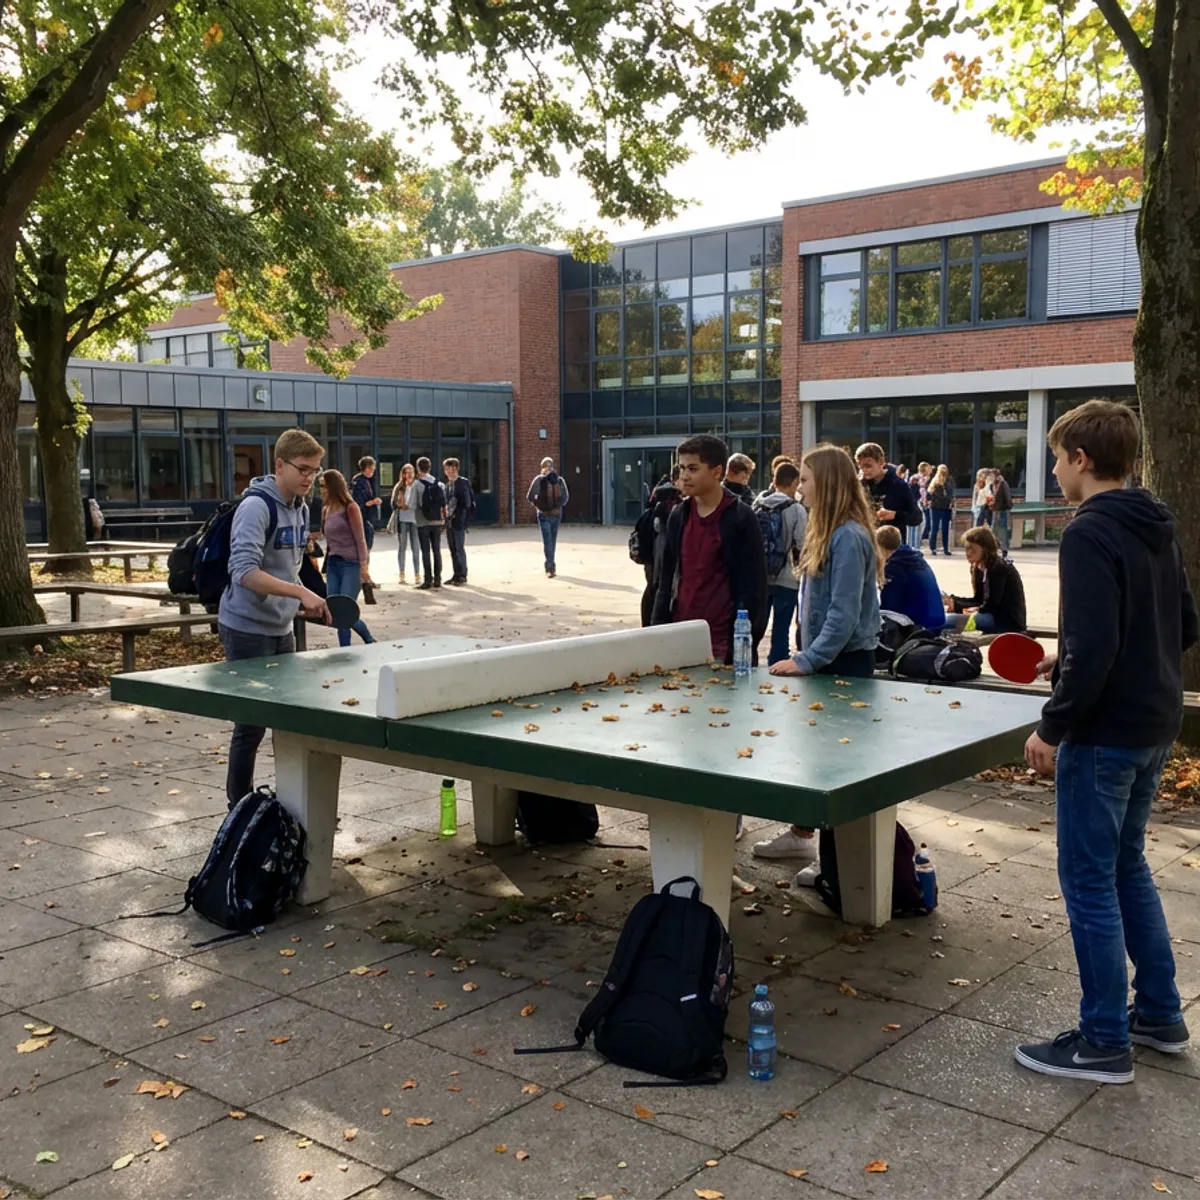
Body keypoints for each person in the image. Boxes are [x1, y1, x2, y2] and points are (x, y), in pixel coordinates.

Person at [1017, 399, 1198, 1083]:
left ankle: (1102, 1040)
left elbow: (1096, 646)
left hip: (1104, 735)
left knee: (1089, 881)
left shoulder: (1089, 531)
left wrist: (1053, 724)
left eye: (1057, 460)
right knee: (1127, 867)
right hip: (1156, 721)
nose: (1055, 473)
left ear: (1081, 459)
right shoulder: (1158, 524)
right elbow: (1181, 625)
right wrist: (1068, 658)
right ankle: (1158, 1013)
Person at [756, 445, 882, 880]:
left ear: (825, 483)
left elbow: (843, 614)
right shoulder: (828, 530)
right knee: (817, 758)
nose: (800, 489)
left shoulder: (847, 537)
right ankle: (802, 836)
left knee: (838, 767)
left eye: (806, 480)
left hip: (844, 665)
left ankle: (836, 870)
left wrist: (807, 660)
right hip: (831, 661)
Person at [218, 428, 330, 808]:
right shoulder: (255, 507)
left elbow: (289, 568)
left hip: (282, 627)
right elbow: (244, 572)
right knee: (251, 724)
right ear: (280, 465)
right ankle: (239, 808)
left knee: (288, 717)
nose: (310, 478)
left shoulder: (300, 507)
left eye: (315, 470)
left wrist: (313, 597)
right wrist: (298, 593)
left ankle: (292, 803)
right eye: (303, 469)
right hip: (246, 627)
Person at [651, 434, 767, 665]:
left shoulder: (740, 517)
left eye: (693, 469)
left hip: (723, 646)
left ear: (717, 472)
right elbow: (665, 580)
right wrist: (657, 631)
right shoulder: (679, 515)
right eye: (682, 468)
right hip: (680, 640)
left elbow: (754, 588)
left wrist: (742, 645)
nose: (684, 476)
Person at [754, 461, 807, 665]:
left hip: (762, 576)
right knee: (781, 627)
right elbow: (802, 543)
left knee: (757, 625)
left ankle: (751, 659)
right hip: (787, 577)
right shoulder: (796, 509)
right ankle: (777, 662)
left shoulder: (758, 504)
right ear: (793, 482)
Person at [318, 469, 377, 648]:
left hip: (351, 564)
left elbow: (360, 539)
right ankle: (364, 642)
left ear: (333, 486)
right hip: (333, 563)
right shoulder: (326, 509)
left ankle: (356, 644)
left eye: (324, 486)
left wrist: (364, 567)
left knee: (345, 610)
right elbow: (327, 538)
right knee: (335, 610)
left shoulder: (350, 507)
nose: (321, 490)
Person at [942, 525, 1027, 633]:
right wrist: (954, 601)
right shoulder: (979, 568)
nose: (968, 553)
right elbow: (979, 600)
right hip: (991, 615)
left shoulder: (998, 568)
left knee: (947, 621)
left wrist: (960, 607)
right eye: (967, 549)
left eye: (973, 549)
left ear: (985, 548)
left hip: (1005, 621)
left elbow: (991, 604)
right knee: (943, 617)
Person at [876, 525, 944, 631]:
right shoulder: (913, 557)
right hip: (936, 620)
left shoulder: (895, 566)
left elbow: (890, 607)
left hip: (918, 626)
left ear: (879, 547)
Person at [640, 464, 683, 627]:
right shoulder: (670, 500)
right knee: (659, 587)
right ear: (676, 479)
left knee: (653, 588)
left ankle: (648, 626)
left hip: (653, 554)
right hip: (660, 553)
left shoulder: (659, 494)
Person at [856, 442, 921, 536]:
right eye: (860, 466)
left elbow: (916, 517)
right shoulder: (859, 484)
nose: (863, 470)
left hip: (890, 541)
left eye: (868, 466)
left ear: (882, 463)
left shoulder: (898, 485)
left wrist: (894, 515)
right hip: (865, 538)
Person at [528, 456, 569, 578]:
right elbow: (566, 497)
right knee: (552, 541)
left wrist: (539, 506)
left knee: (548, 542)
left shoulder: (538, 480)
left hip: (544, 514)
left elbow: (530, 497)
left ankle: (550, 568)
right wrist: (557, 507)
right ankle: (551, 566)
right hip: (556, 515)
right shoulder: (559, 480)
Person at [411, 456, 445, 590]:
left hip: (423, 521)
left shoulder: (417, 484)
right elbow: (443, 504)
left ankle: (427, 580)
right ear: (430, 468)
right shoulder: (439, 484)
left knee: (425, 551)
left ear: (418, 468)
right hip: (437, 521)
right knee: (436, 550)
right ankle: (438, 579)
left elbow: (413, 504)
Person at [443, 457, 475, 586]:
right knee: (452, 549)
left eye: (449, 468)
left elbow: (466, 503)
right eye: (445, 469)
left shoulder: (462, 483)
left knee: (459, 548)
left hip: (459, 520)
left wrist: (459, 516)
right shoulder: (448, 484)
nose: (447, 471)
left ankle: (462, 575)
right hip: (449, 521)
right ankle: (456, 574)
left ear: (455, 468)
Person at [388, 463, 421, 585]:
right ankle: (401, 573)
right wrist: (399, 504)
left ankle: (417, 574)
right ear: (403, 474)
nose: (409, 474)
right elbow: (392, 503)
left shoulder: (418, 485)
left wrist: (411, 506)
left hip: (415, 520)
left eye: (411, 471)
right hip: (402, 519)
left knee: (416, 547)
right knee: (402, 546)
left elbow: (421, 502)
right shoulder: (399, 486)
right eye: (407, 472)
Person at [350, 457, 383, 551]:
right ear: (367, 468)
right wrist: (373, 502)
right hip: (364, 516)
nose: (373, 471)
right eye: (372, 468)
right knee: (366, 542)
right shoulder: (361, 482)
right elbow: (361, 502)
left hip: (364, 515)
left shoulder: (363, 480)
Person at [926, 464, 955, 555]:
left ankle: (935, 548)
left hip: (938, 508)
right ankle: (942, 548)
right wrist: (949, 500)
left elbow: (929, 495)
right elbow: (949, 495)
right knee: (941, 529)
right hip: (942, 508)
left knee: (936, 528)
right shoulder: (943, 482)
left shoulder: (936, 482)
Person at [990, 466, 1013, 558]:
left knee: (1002, 530)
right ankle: (994, 548)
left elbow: (1007, 497)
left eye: (991, 476)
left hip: (1002, 510)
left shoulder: (1003, 484)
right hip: (995, 510)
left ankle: (1004, 549)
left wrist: (1006, 506)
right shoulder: (992, 485)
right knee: (994, 530)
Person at [916, 461, 933, 548]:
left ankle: (923, 537)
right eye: (928, 468)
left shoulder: (927, 478)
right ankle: (922, 538)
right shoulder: (922, 478)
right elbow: (923, 491)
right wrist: (925, 501)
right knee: (927, 520)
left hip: (925, 501)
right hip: (924, 501)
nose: (930, 470)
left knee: (928, 520)